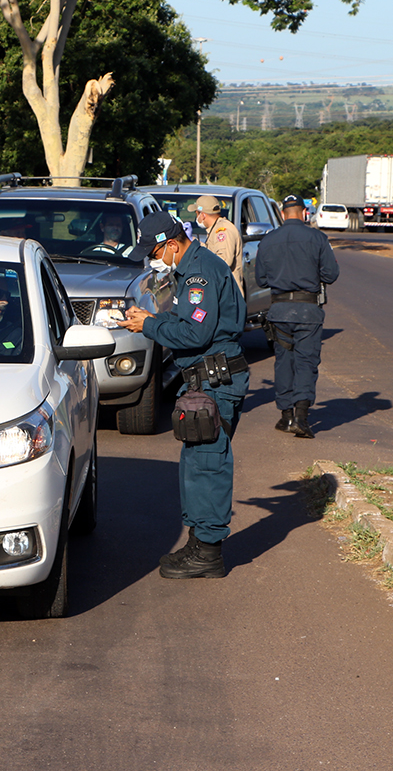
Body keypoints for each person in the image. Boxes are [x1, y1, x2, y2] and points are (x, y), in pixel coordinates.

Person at [117, 211, 249, 579]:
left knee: (208, 465)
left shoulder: (198, 274)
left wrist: (150, 324)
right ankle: (198, 542)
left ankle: (208, 553)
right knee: (196, 465)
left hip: (215, 382)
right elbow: (186, 323)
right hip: (204, 381)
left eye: (155, 251)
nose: (153, 260)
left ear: (173, 244)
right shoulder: (189, 268)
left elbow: (195, 335)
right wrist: (147, 320)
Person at [255, 194, 340, 438]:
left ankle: (286, 416)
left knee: (284, 362)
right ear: (304, 213)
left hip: (280, 311)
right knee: (306, 362)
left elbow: (261, 279)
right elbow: (331, 275)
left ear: (283, 214)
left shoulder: (268, 240)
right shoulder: (318, 238)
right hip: (308, 311)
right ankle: (302, 417)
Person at [187, 195, 243, 294]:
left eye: (197, 214)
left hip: (228, 296)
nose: (196, 218)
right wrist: (193, 242)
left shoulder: (223, 231)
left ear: (202, 215)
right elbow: (211, 251)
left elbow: (223, 261)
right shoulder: (215, 229)